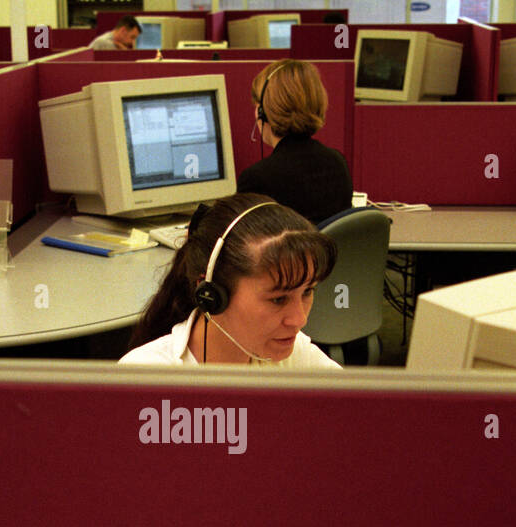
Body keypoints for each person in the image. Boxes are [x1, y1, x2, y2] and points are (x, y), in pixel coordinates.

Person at [121, 194, 340, 368]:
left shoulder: (297, 356)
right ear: (212, 296)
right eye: (278, 299)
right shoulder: (146, 376)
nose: (299, 320)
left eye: (307, 291)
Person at [236, 60, 353, 225]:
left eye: (257, 106)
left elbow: (238, 244)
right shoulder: (337, 162)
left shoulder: (257, 179)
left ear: (264, 113)